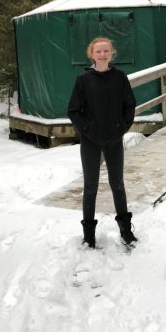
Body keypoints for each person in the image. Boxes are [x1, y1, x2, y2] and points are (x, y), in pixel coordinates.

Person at [67, 37, 137, 248]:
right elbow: (73, 111)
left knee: (118, 184)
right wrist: (87, 129)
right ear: (92, 54)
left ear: (111, 53)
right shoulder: (83, 80)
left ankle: (126, 232)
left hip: (114, 139)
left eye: (106, 51)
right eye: (99, 51)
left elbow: (130, 105)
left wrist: (121, 128)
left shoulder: (119, 77)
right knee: (90, 186)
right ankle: (89, 235)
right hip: (90, 141)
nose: (103, 54)